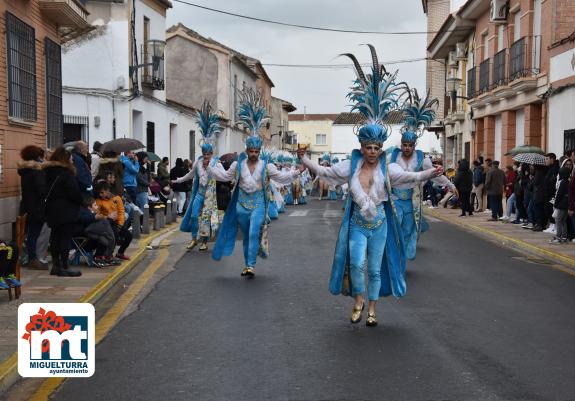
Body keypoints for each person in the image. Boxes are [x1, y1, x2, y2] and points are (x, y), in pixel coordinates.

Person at [299, 48, 442, 326]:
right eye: (368, 147)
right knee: (356, 264)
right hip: (356, 222)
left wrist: (428, 173)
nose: (373, 151)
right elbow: (326, 172)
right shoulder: (350, 166)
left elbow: (409, 178)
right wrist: (303, 159)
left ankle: (373, 310)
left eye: (377, 147)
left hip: (379, 223)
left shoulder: (389, 168)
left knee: (375, 268)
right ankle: (359, 300)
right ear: (361, 146)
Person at [209, 88, 300, 278]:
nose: (253, 154)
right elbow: (225, 176)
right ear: (247, 150)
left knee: (252, 234)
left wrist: (297, 170)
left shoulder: (266, 165)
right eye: (251, 151)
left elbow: (280, 178)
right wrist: (210, 166)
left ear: (259, 152)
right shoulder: (238, 164)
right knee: (246, 236)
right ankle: (247, 264)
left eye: (256, 152)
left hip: (258, 204)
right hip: (241, 204)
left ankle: (251, 265)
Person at [389, 113, 456, 260]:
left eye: (410, 145)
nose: (406, 148)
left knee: (407, 230)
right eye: (404, 145)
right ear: (401, 145)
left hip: (411, 201)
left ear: (414, 145)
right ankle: (393, 257)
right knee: (394, 229)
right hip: (395, 199)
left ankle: (401, 260)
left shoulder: (422, 159)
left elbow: (434, 174)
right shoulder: (393, 157)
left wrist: (450, 185)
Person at [173, 101, 221, 251]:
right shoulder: (198, 162)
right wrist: (178, 180)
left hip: (209, 195)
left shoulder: (216, 163)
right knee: (194, 215)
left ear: (212, 153)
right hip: (199, 192)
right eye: (204, 154)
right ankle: (194, 239)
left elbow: (223, 176)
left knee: (206, 218)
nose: (206, 156)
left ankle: (205, 241)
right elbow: (190, 174)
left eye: (208, 154)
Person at [42, 147, 82, 277]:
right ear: (65, 159)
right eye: (70, 158)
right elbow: (74, 193)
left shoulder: (47, 172)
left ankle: (55, 266)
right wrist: (82, 201)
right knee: (64, 238)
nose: (72, 160)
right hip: (66, 210)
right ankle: (64, 266)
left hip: (52, 210)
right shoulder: (66, 173)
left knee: (55, 237)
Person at [17, 145, 48, 270]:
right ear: (37, 157)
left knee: (29, 234)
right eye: (41, 156)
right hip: (37, 208)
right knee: (34, 234)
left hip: (26, 206)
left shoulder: (25, 172)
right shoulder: (37, 172)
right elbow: (41, 191)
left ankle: (29, 258)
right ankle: (33, 259)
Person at [95, 181, 132, 260]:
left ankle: (120, 253)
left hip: (116, 223)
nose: (100, 195)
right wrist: (107, 217)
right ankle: (108, 255)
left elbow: (121, 211)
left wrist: (120, 224)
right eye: (99, 193)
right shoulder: (99, 201)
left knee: (129, 236)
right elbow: (97, 214)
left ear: (108, 190)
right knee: (113, 235)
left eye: (102, 192)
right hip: (106, 223)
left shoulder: (117, 198)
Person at [549, 167, 571, 244]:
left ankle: (558, 237)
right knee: (563, 221)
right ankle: (564, 237)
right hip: (566, 204)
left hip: (561, 204)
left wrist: (555, 204)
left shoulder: (563, 182)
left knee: (558, 220)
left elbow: (559, 194)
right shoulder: (568, 181)